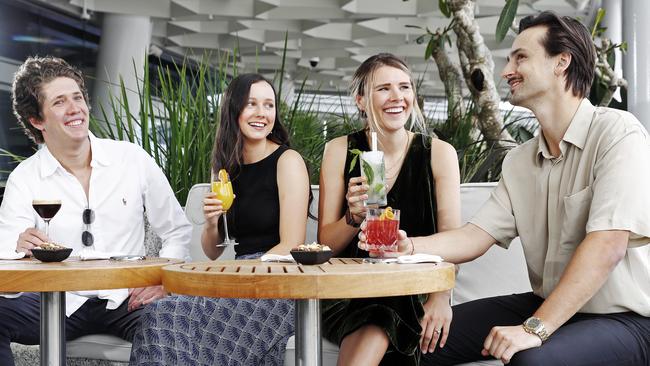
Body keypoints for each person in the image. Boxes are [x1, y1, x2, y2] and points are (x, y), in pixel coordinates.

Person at [359, 12, 650, 366]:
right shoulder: (520, 161)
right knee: (408, 345)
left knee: (530, 361)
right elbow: (474, 236)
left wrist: (534, 328)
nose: (505, 70)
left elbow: (607, 245)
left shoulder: (618, 133)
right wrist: (407, 247)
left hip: (624, 319)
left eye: (520, 57)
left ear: (562, 62)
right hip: (547, 303)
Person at [0, 56, 192, 365]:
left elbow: (177, 230)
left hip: (127, 298)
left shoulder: (132, 159)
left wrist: (163, 280)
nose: (75, 108)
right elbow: (7, 257)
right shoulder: (25, 178)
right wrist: (18, 248)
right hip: (57, 300)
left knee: (170, 320)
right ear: (37, 120)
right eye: (60, 102)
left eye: (77, 97)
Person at [129, 73, 311, 365]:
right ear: (233, 109)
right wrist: (212, 222)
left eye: (269, 105)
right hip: (235, 277)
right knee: (159, 313)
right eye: (252, 104)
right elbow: (213, 251)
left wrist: (231, 276)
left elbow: (292, 245)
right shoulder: (224, 167)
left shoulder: (288, 161)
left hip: (277, 283)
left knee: (174, 313)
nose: (262, 114)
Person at [318, 53, 461, 366]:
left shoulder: (439, 153)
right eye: (383, 89)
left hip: (412, 287)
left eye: (405, 87)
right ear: (360, 100)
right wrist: (352, 218)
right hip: (349, 291)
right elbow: (325, 246)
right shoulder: (340, 150)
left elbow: (454, 241)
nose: (397, 97)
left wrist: (440, 297)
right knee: (383, 303)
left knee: (392, 297)